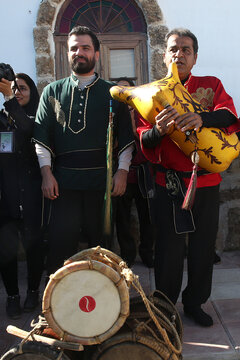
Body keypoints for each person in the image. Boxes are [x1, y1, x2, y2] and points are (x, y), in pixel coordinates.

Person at [137, 28, 240, 326]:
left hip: (205, 182)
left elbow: (229, 115)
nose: (179, 54)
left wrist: (201, 117)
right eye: (173, 49)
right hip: (169, 184)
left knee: (203, 247)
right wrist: (159, 130)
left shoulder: (211, 85)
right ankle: (166, 307)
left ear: (195, 57)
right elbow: (144, 140)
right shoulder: (150, 92)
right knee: (167, 250)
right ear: (164, 55)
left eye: (186, 49)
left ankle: (195, 302)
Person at [33, 26, 134, 277]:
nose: (79, 52)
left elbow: (126, 140)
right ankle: (56, 308)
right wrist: (46, 174)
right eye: (74, 48)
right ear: (67, 53)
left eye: (85, 48)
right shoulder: (51, 91)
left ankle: (103, 307)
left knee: (102, 250)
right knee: (60, 247)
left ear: (97, 54)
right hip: (63, 184)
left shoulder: (114, 93)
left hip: (102, 184)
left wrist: (121, 173)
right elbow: (41, 136)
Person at [0, 72, 45, 319]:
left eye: (23, 88)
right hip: (6, 197)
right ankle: (12, 296)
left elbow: (30, 132)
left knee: (34, 246)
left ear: (32, 92)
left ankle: (33, 291)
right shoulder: (2, 119)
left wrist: (10, 101)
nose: (17, 91)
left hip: (31, 196)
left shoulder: (37, 118)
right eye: (13, 88)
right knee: (5, 249)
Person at [114, 77, 155, 268]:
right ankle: (127, 254)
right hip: (122, 174)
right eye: (119, 91)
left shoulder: (143, 112)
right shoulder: (111, 115)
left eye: (126, 91)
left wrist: (131, 119)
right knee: (121, 218)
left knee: (147, 216)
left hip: (143, 173)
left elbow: (147, 141)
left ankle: (148, 253)